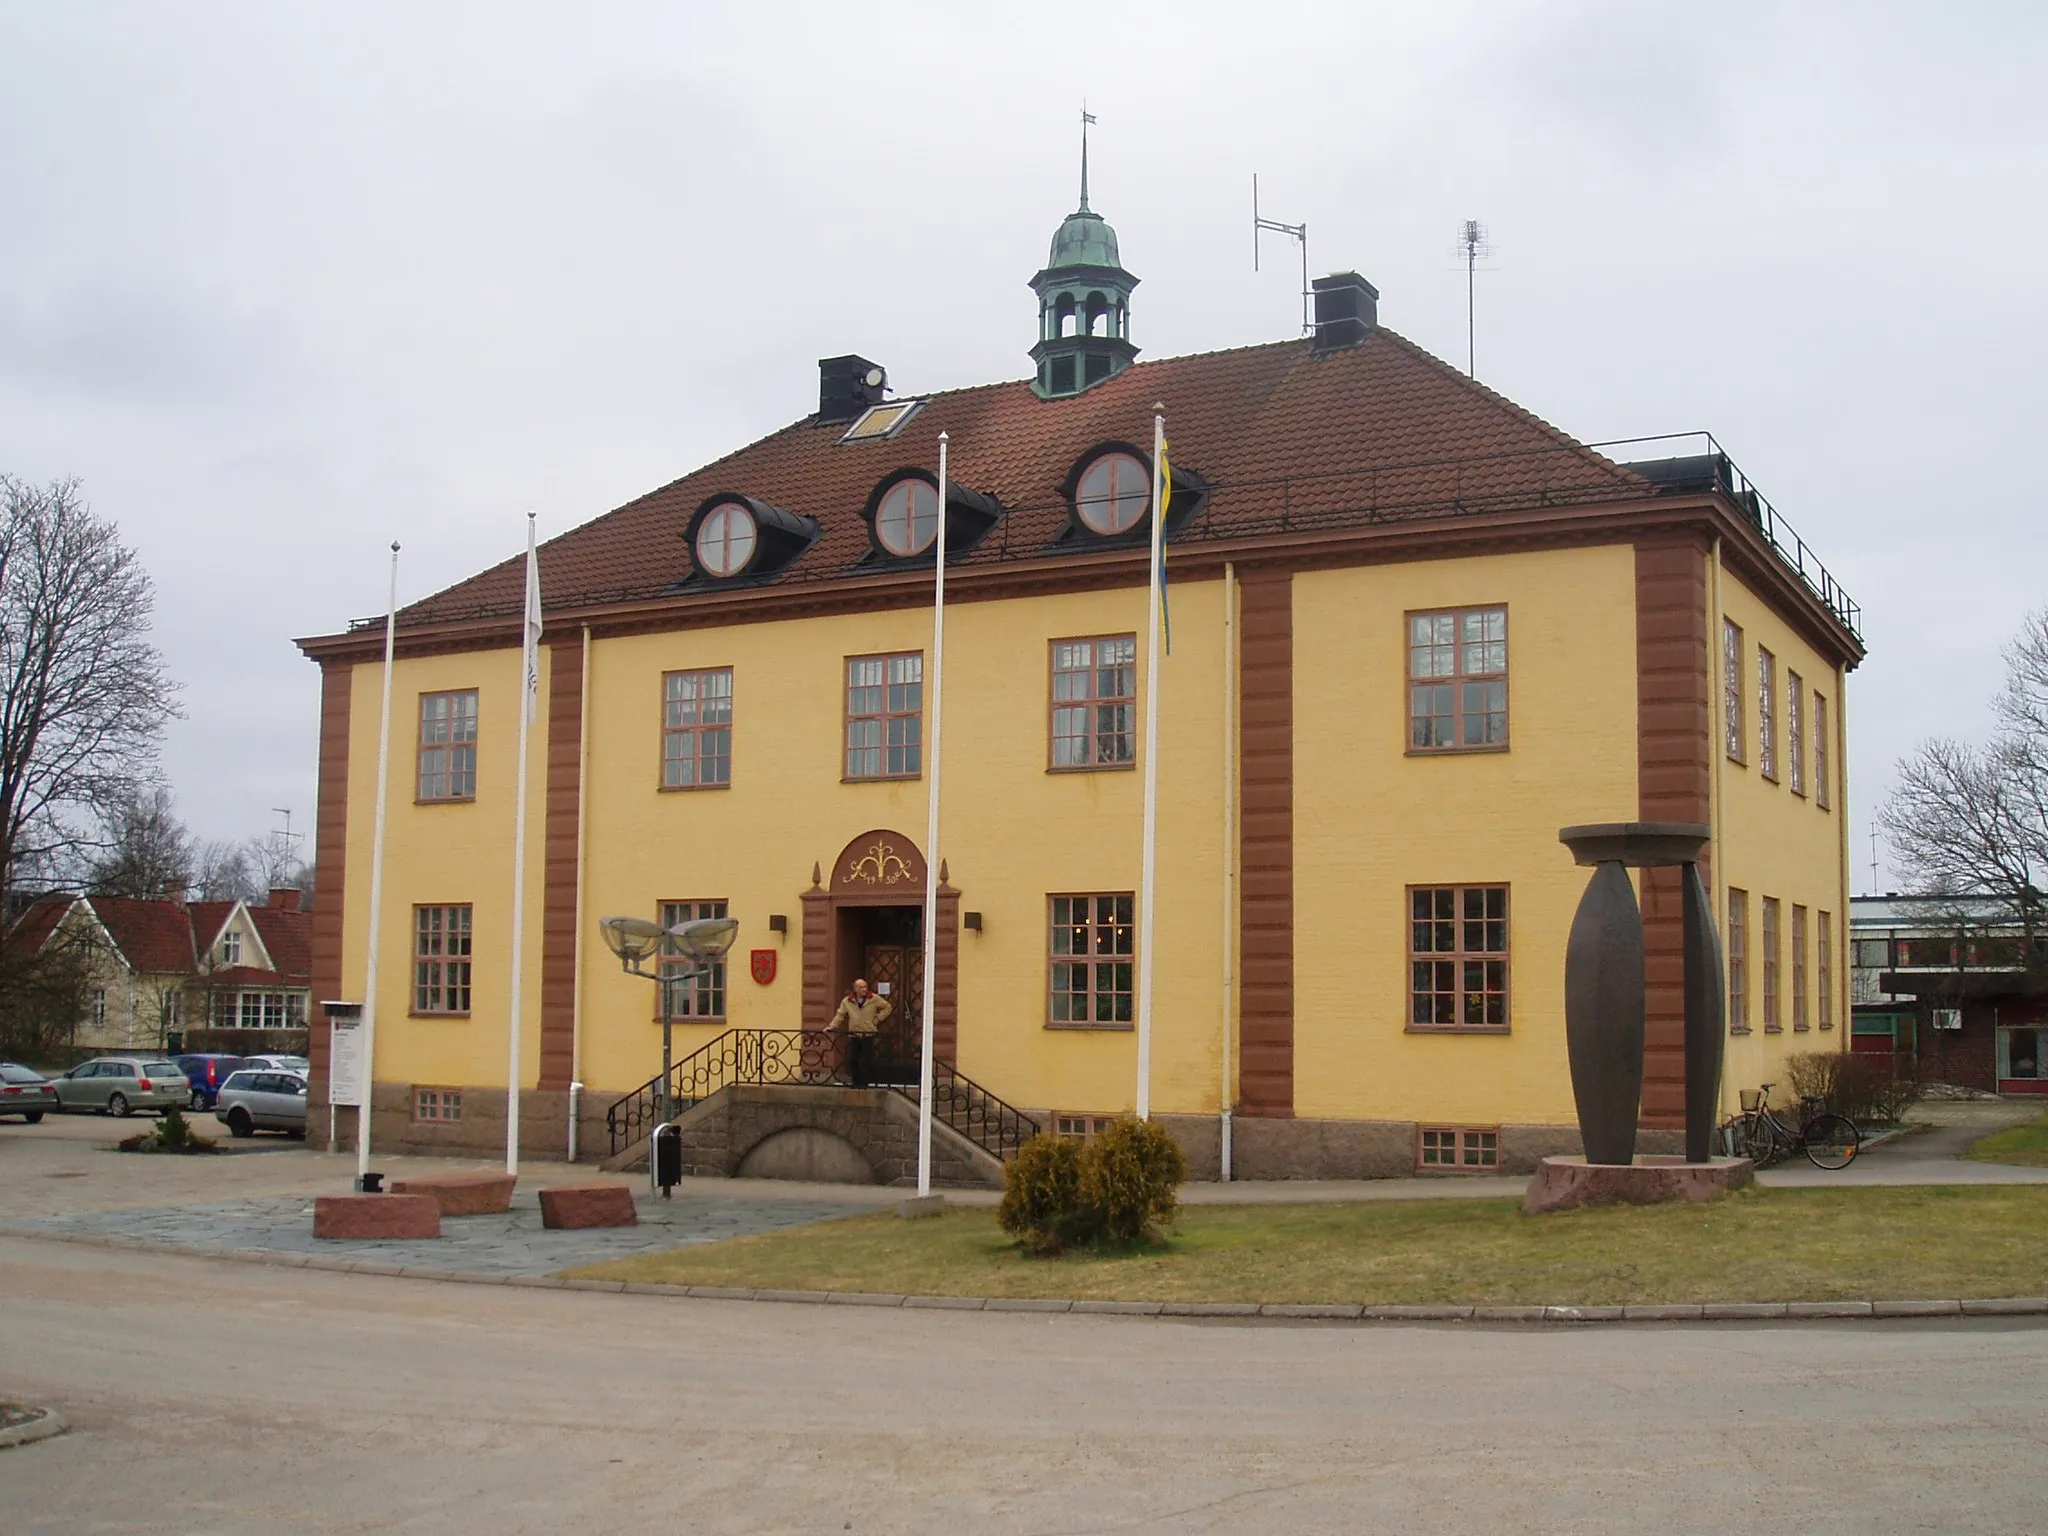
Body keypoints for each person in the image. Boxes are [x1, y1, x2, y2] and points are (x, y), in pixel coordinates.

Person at [830, 978, 893, 1087]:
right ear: (855, 989)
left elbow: (887, 1007)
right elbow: (840, 1015)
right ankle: (855, 1082)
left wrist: (877, 1019)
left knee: (866, 1060)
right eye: (861, 987)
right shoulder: (848, 1001)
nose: (864, 989)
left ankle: (864, 1083)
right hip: (854, 1034)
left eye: (865, 987)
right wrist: (832, 1026)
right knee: (852, 1060)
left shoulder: (873, 998)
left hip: (868, 1033)